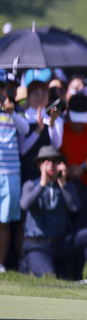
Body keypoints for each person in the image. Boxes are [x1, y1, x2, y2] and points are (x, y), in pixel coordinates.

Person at [20, 146, 87, 282]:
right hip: (37, 245)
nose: (51, 164)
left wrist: (63, 184)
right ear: (40, 165)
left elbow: (75, 207)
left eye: (55, 161)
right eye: (46, 161)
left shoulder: (66, 187)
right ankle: (28, 266)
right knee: (49, 278)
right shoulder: (30, 185)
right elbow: (24, 205)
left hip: (60, 243)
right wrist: (42, 184)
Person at [0, 71, 29, 273]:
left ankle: (1, 264)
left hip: (10, 173)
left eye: (3, 87)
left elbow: (26, 129)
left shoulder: (14, 112)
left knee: (5, 222)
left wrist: (11, 113)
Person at [19, 69, 63, 182]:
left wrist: (52, 124)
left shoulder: (54, 117)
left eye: (44, 93)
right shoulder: (23, 117)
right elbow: (22, 150)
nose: (40, 97)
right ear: (28, 96)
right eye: (35, 94)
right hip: (28, 172)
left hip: (49, 172)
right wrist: (37, 131)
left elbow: (56, 146)